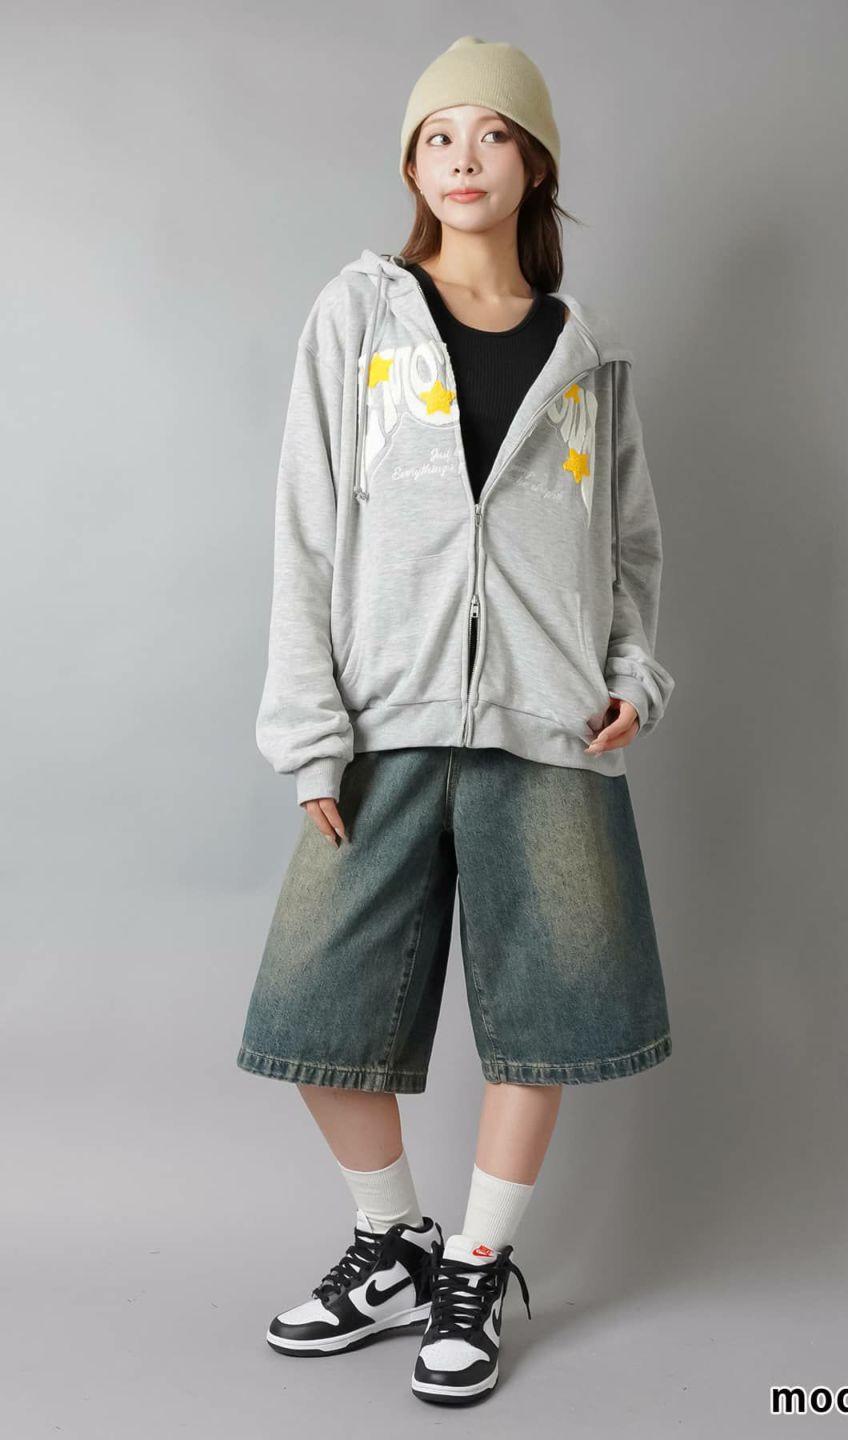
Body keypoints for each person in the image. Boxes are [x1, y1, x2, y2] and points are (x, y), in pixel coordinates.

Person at [236, 36, 676, 1406]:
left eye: (491, 135)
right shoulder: (359, 314)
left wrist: (634, 675)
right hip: (384, 718)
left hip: (551, 725)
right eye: (438, 138)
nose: (463, 159)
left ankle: (476, 1267)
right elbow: (306, 529)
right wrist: (311, 729)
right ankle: (394, 1243)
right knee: (315, 1007)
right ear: (413, 167)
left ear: (532, 164)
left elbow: (630, 549)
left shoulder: (585, 350)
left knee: (545, 1016)